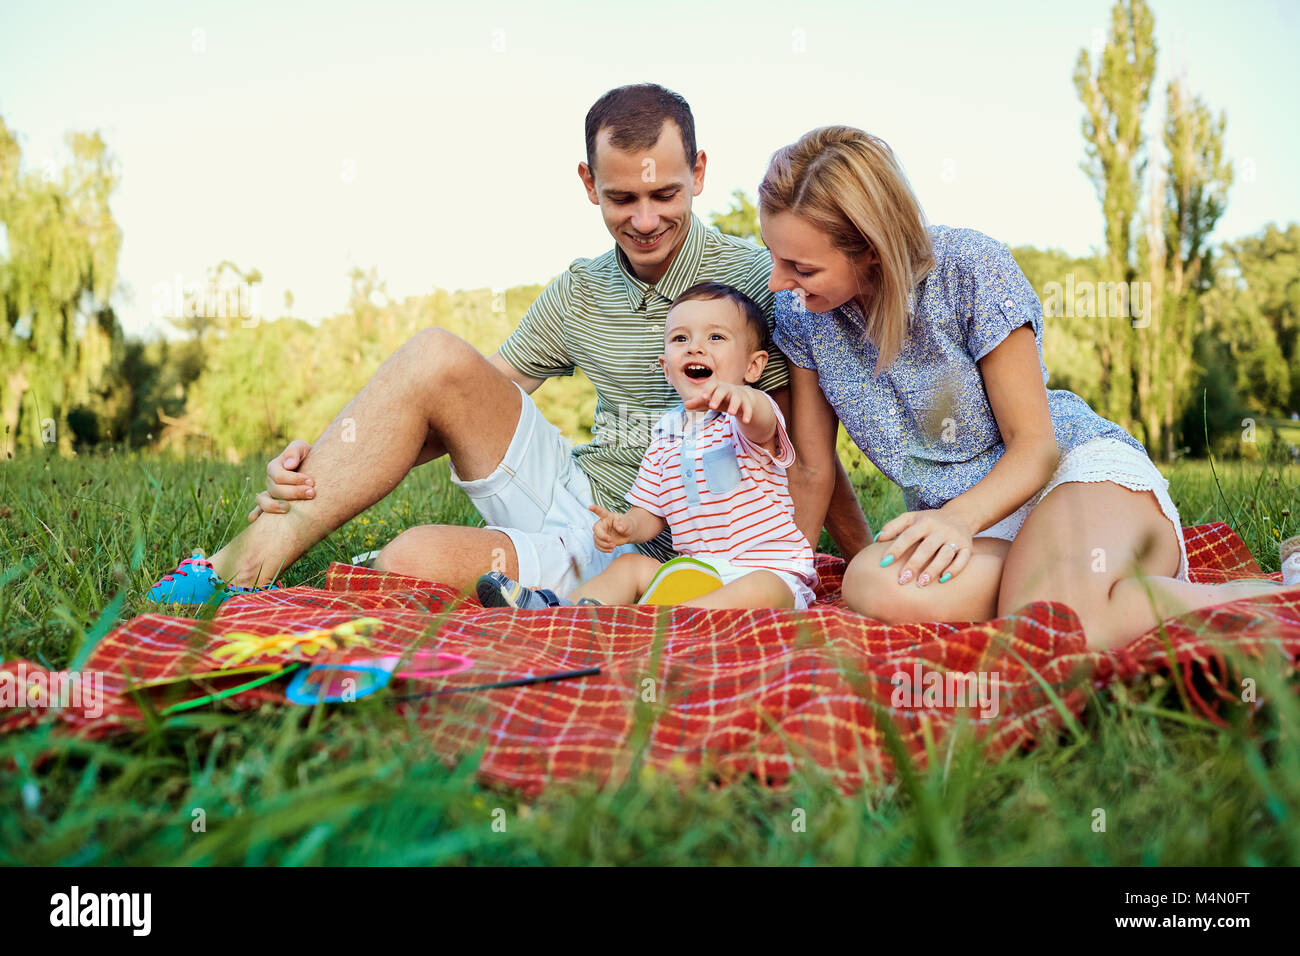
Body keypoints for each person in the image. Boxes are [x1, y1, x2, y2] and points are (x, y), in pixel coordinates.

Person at [145, 85, 871, 607]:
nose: (646, 219)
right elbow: (444, 406)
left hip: (649, 549)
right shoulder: (579, 290)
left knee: (407, 561)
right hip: (575, 496)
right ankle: (239, 564)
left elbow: (809, 451)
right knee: (433, 355)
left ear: (700, 175)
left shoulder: (760, 280)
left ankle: (496, 584)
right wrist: (323, 465)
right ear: (589, 184)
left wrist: (848, 560)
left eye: (666, 195)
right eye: (623, 199)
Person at [760, 125, 1285, 650]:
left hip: (1069, 478)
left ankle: (1275, 594)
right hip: (973, 531)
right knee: (870, 581)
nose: (778, 281)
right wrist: (790, 580)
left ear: (871, 250)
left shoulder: (970, 267)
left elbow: (1036, 448)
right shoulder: (802, 313)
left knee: (1049, 626)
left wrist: (959, 520)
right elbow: (811, 467)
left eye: (801, 266)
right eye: (775, 256)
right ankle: (1084, 586)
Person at [477, 282, 818, 610]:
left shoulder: (747, 415)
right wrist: (626, 527)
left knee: (763, 589)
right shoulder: (665, 434)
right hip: (695, 573)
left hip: (767, 573)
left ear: (753, 366)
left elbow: (762, 425)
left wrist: (740, 398)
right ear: (666, 369)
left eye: (716, 337)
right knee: (631, 567)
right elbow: (651, 513)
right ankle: (560, 609)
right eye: (680, 338)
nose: (695, 347)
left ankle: (663, 622)